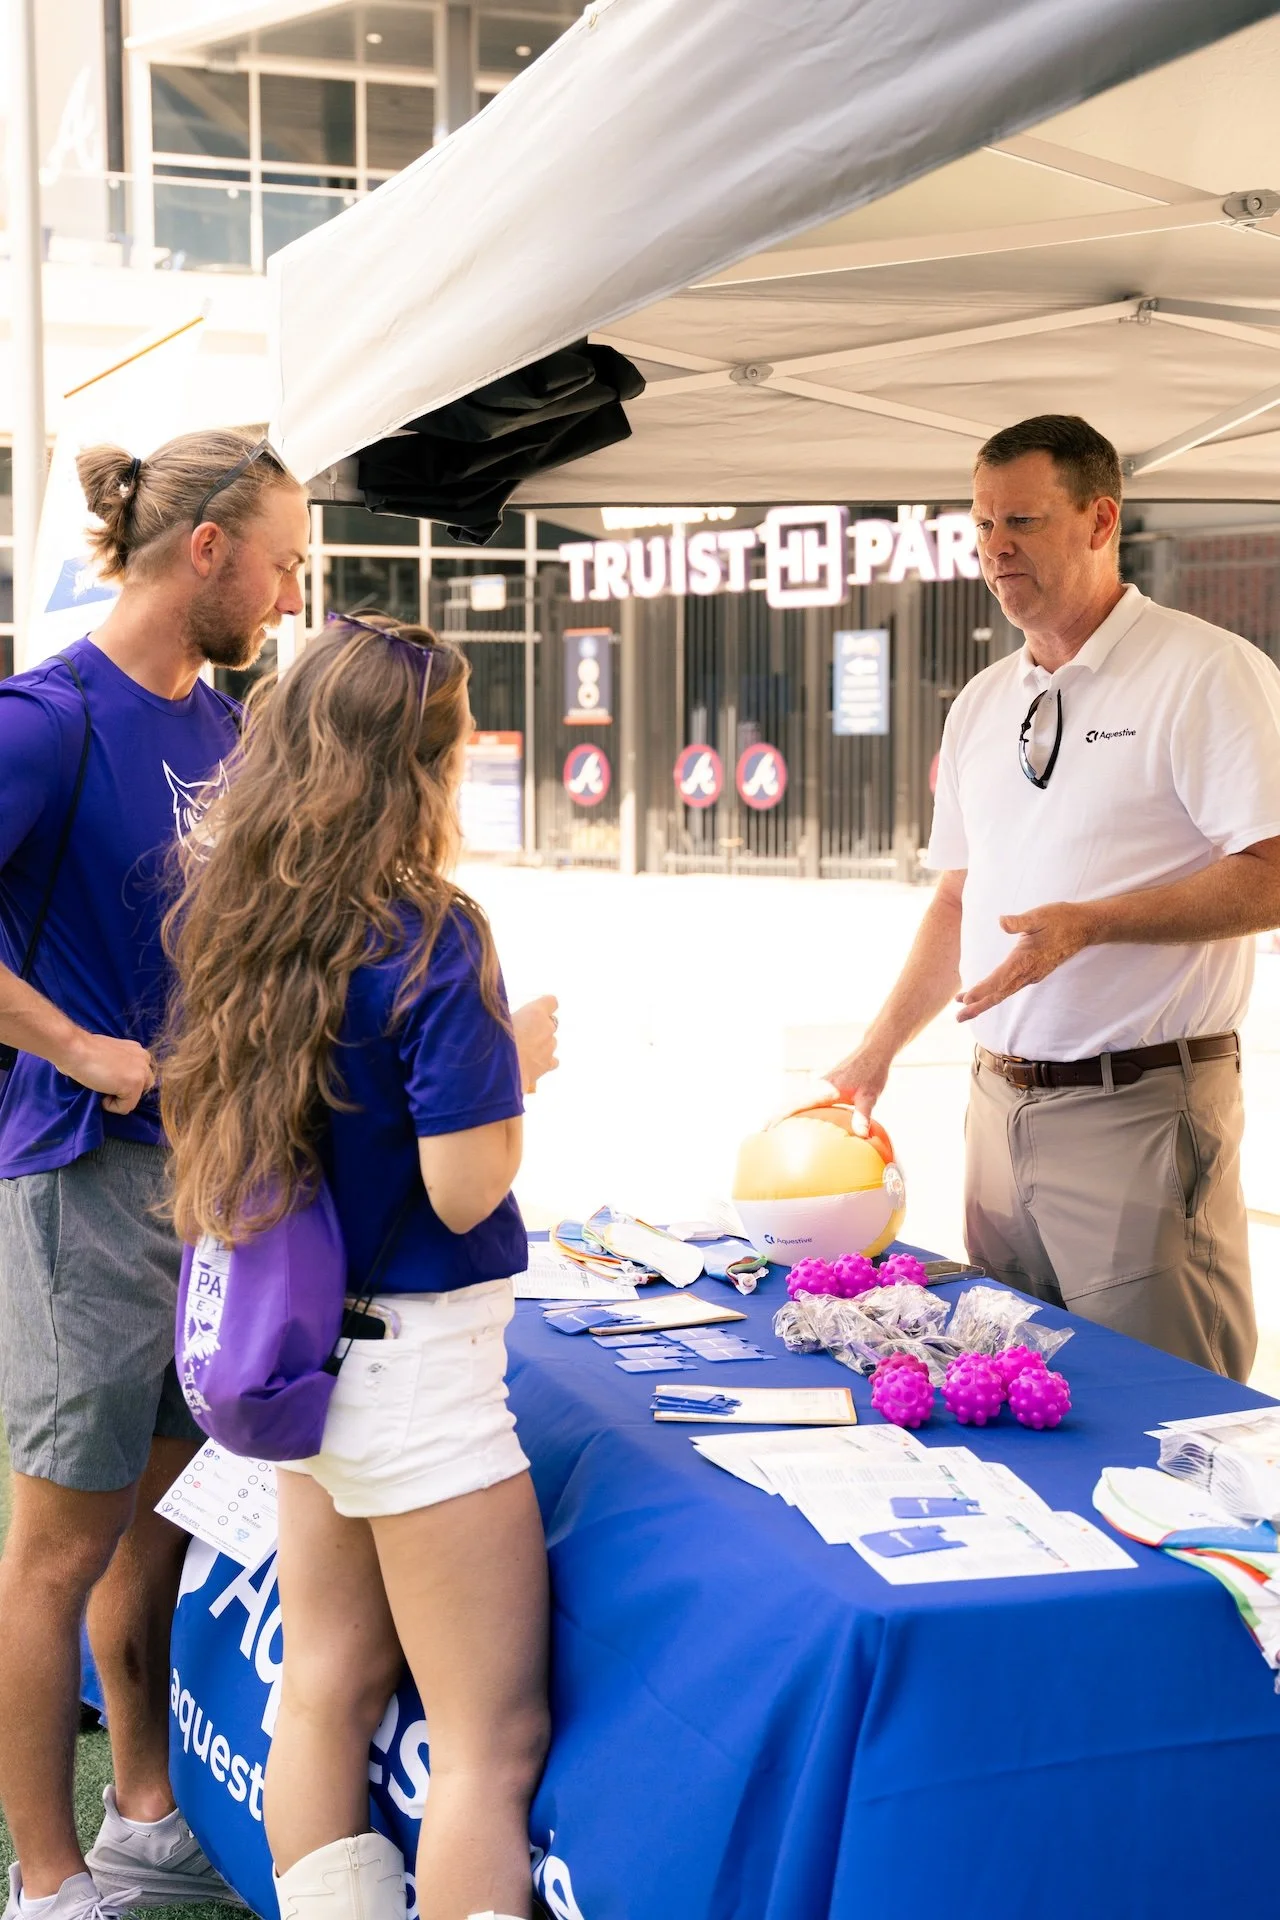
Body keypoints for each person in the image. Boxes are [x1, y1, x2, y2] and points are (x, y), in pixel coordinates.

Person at [161, 612, 556, 1920]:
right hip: (419, 1381)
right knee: (486, 1750)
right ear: (426, 762)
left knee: (325, 1683)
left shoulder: (236, 911)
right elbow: (464, 1182)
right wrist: (516, 1063)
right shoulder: (437, 936)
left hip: (308, 1371)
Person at [0, 430, 312, 1920]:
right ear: (206, 552)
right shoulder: (46, 718)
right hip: (79, 1184)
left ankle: (138, 1808)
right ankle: (48, 1876)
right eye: (281, 556)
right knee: (57, 1541)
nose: (291, 585)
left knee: (161, 1516)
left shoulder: (231, 731)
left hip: (212, 1190)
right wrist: (77, 1044)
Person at [816, 414, 1280, 1381]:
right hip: (996, 1105)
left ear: (1101, 519)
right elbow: (958, 898)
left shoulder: (1205, 672)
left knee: (1165, 1411)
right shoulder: (984, 700)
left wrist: (1094, 923)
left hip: (1142, 1111)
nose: (995, 547)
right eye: (981, 524)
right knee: (1018, 1398)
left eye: (1021, 520)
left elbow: (1271, 873)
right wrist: (874, 1051)